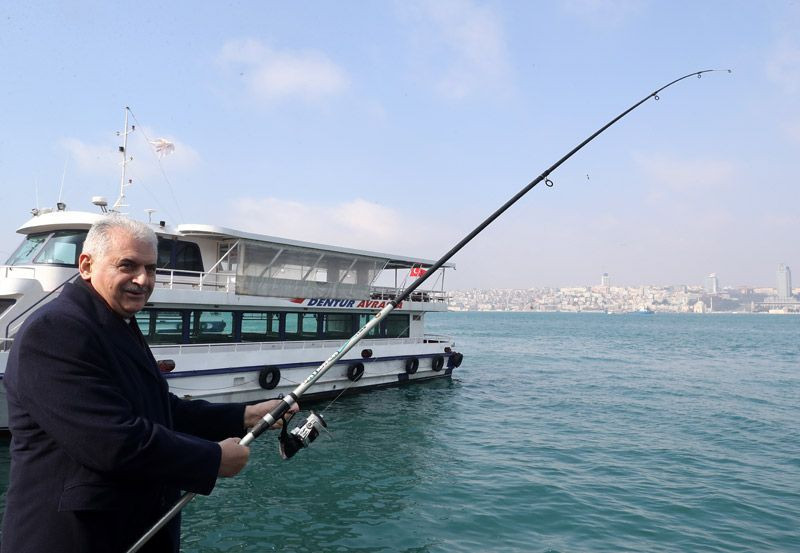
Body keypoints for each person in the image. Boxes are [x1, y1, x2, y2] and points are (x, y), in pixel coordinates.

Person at [1, 216, 298, 553]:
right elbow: (109, 441)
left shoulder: (114, 322)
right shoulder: (56, 330)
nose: (142, 280)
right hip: (78, 538)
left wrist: (245, 414)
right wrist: (212, 459)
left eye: (151, 268)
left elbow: (161, 408)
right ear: (86, 265)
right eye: (128, 265)